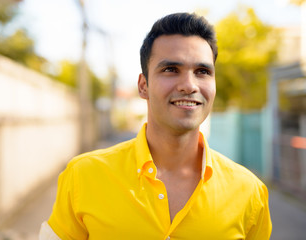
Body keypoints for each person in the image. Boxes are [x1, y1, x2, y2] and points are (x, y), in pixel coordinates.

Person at [39, 12, 272, 240]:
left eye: (202, 71)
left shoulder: (250, 192)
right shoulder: (83, 176)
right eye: (171, 69)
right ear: (143, 86)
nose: (189, 85)